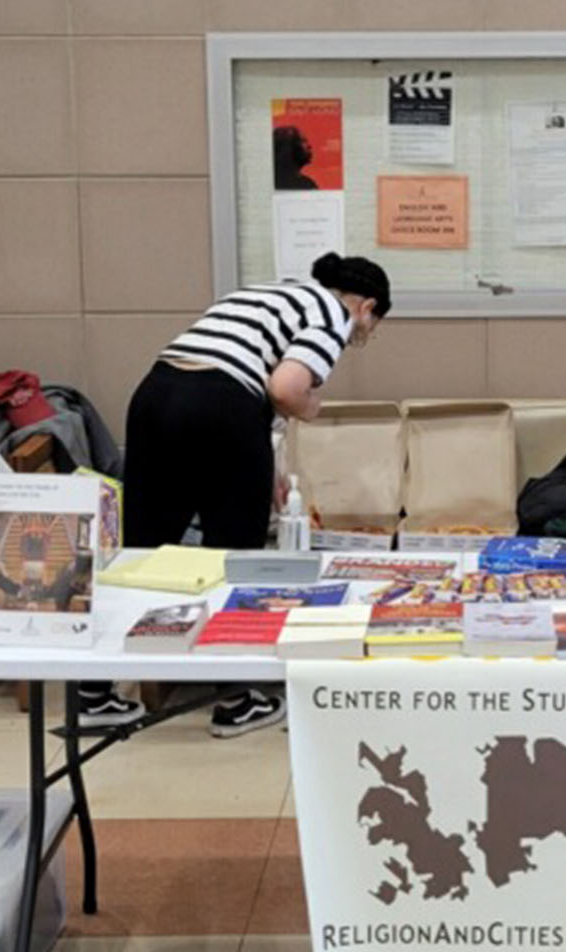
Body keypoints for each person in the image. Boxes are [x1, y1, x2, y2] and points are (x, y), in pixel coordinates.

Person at [79, 252, 391, 737]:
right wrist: (311, 406)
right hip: (222, 409)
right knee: (234, 556)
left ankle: (91, 693)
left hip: (156, 396)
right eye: (370, 328)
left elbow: (234, 379)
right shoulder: (333, 313)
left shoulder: (263, 293)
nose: (362, 337)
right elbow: (284, 389)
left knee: (142, 550)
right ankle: (235, 699)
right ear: (367, 307)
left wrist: (264, 474)